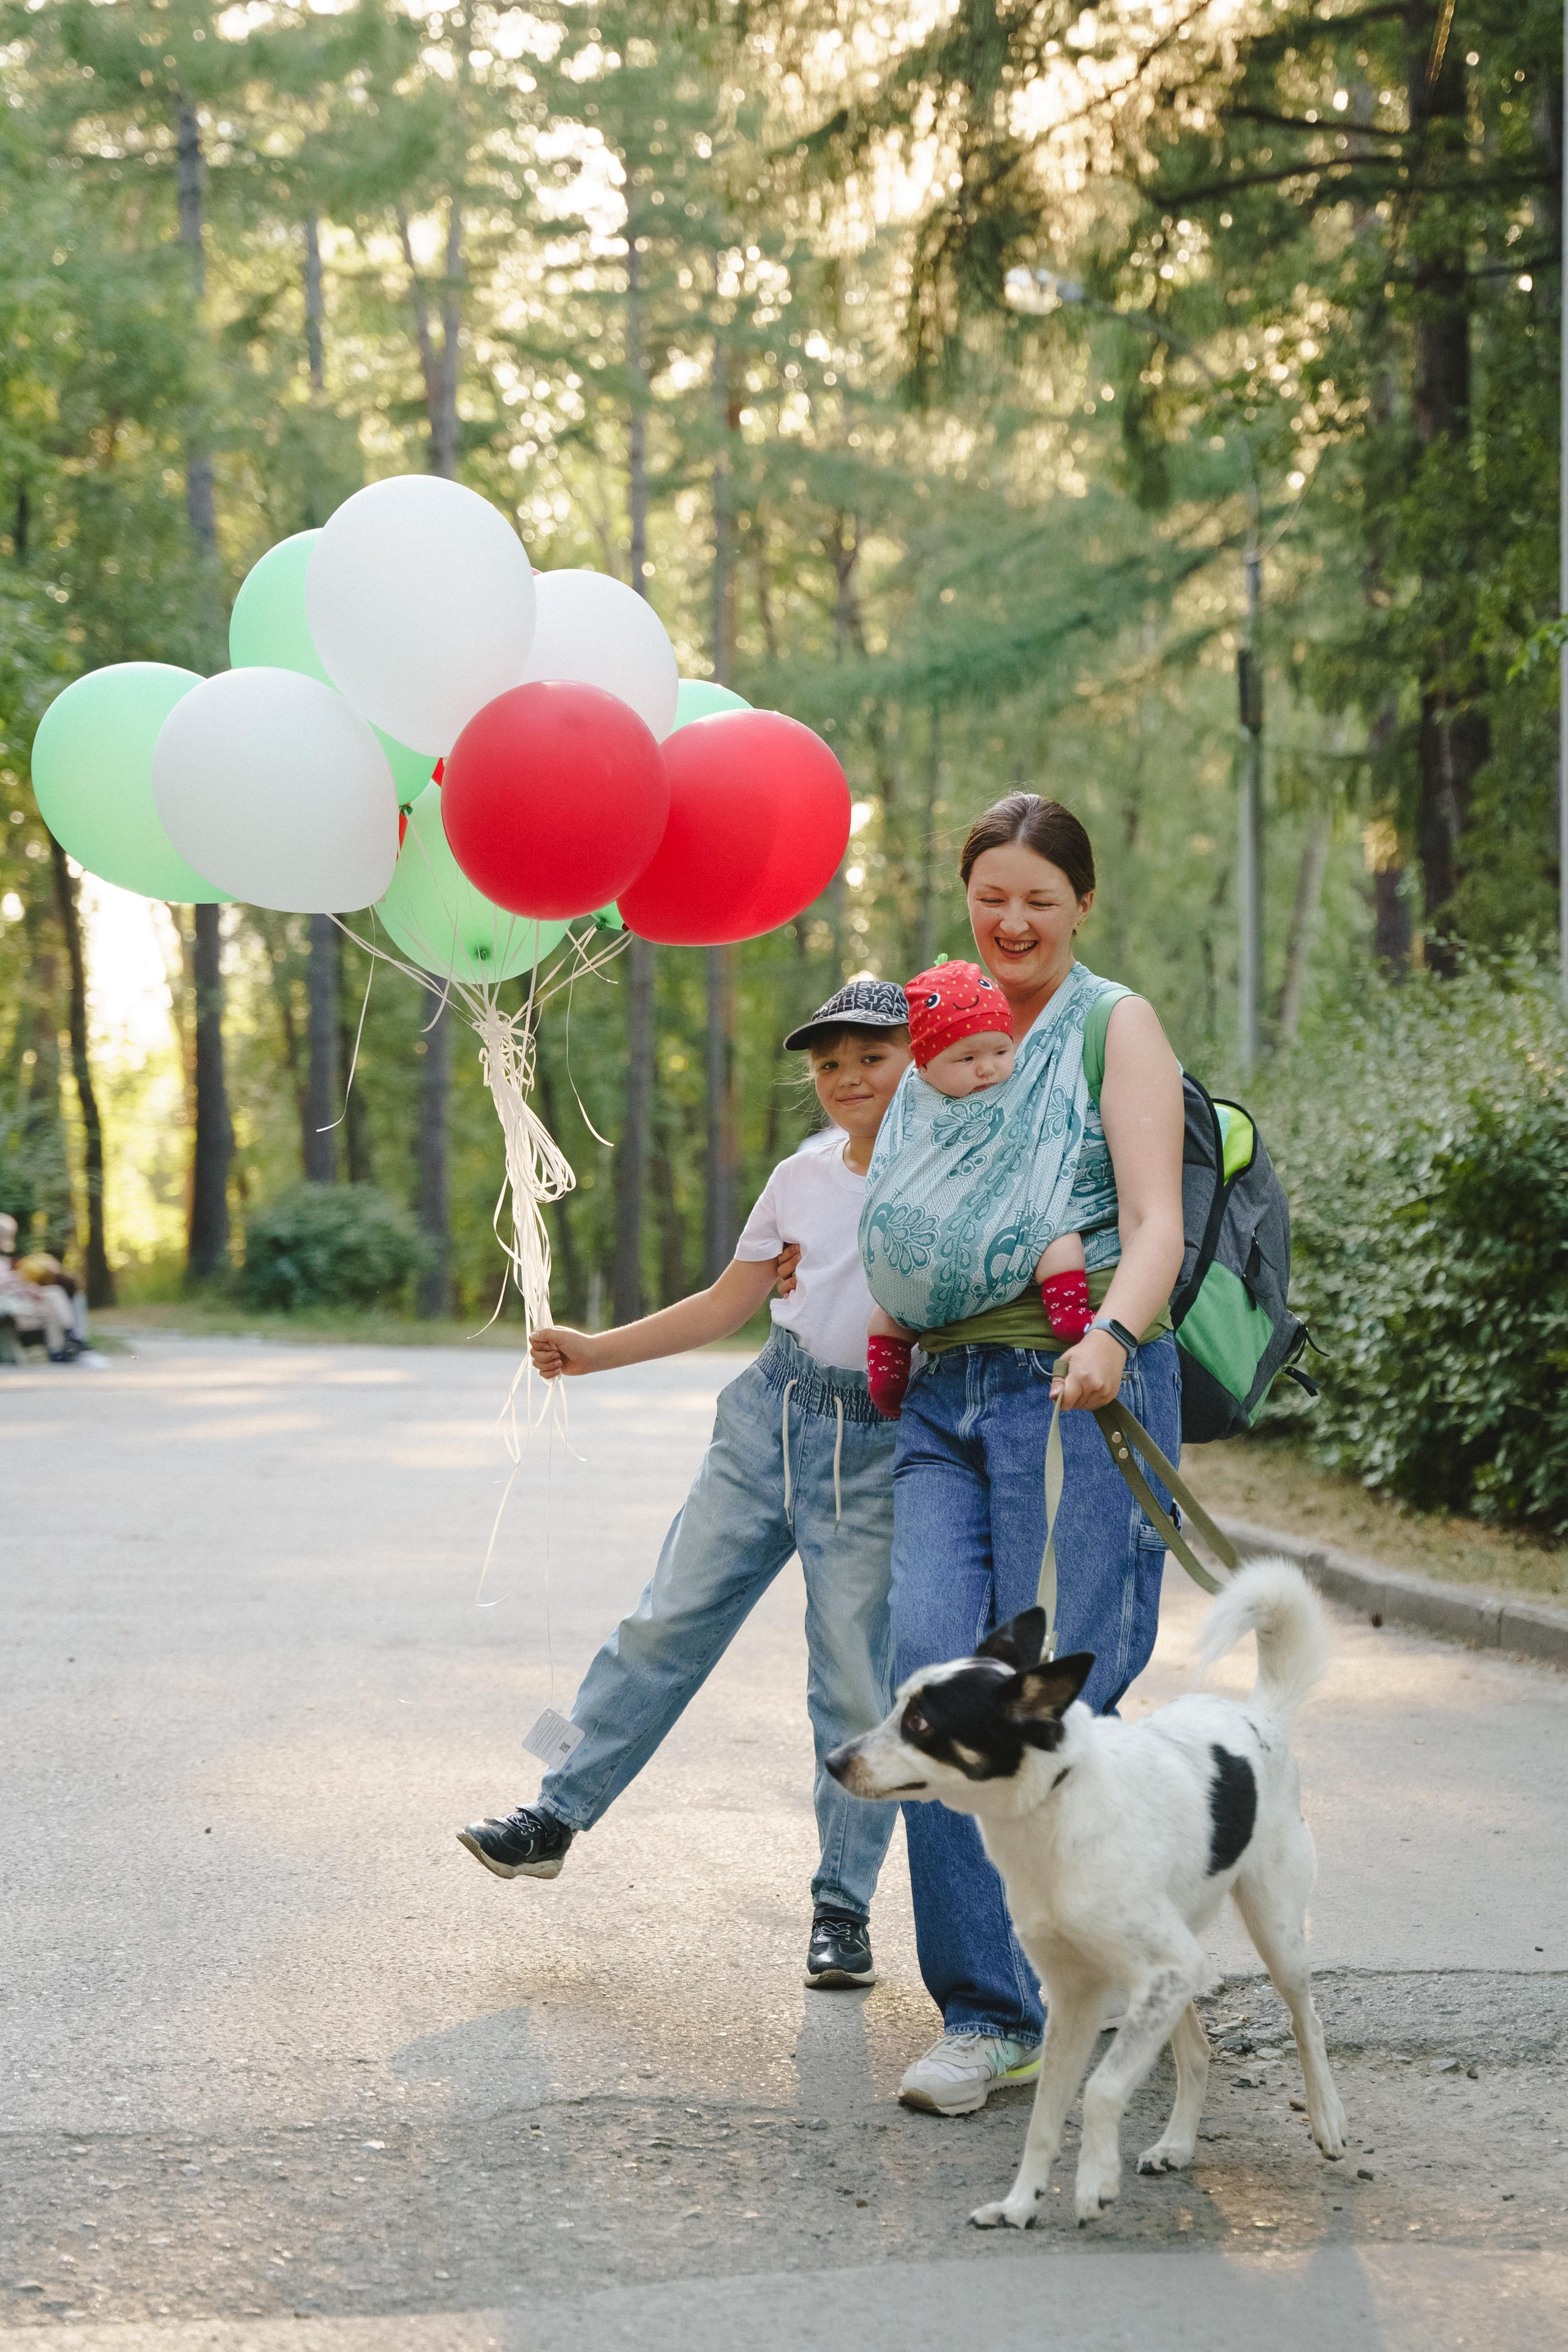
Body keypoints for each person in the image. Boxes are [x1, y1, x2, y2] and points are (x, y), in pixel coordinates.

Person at [456, 978, 914, 1991]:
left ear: (917, 1061)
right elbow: (723, 1304)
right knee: (663, 1622)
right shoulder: (800, 1176)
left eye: (872, 1058)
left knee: (853, 1679)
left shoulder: (947, 1179)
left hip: (876, 1451)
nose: (847, 1078)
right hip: (767, 1422)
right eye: (829, 1064)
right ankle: (554, 1813)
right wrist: (595, 1351)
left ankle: (842, 1908)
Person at [869, 794, 1187, 2117]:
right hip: (941, 1393)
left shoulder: (1114, 1025)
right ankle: (987, 2014)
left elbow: (1155, 1220)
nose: (1011, 922)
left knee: (1054, 1704)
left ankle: (1098, 1978)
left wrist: (1113, 1333)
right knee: (924, 1678)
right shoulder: (937, 1021)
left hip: (1069, 1388)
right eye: (990, 896)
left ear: (1082, 906)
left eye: (1039, 901)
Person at [864, 960, 1094, 1419]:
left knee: (892, 1309)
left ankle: (1068, 1314)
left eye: (1001, 1051)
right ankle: (887, 1369)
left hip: (970, 1237)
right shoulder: (915, 1101)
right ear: (924, 1066)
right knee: (1056, 1236)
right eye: (967, 1059)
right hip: (930, 1235)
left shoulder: (1020, 1086)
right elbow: (895, 1164)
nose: (988, 1069)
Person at [0, 1216, 83, 1363]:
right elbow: (6, 1286)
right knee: (51, 1303)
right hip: (9, 1303)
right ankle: (65, 1341)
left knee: (54, 1294)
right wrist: (28, 1291)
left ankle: (63, 1344)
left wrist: (30, 1289)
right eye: (8, 1235)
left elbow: (13, 1282)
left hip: (17, 1299)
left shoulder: (4, 1260)